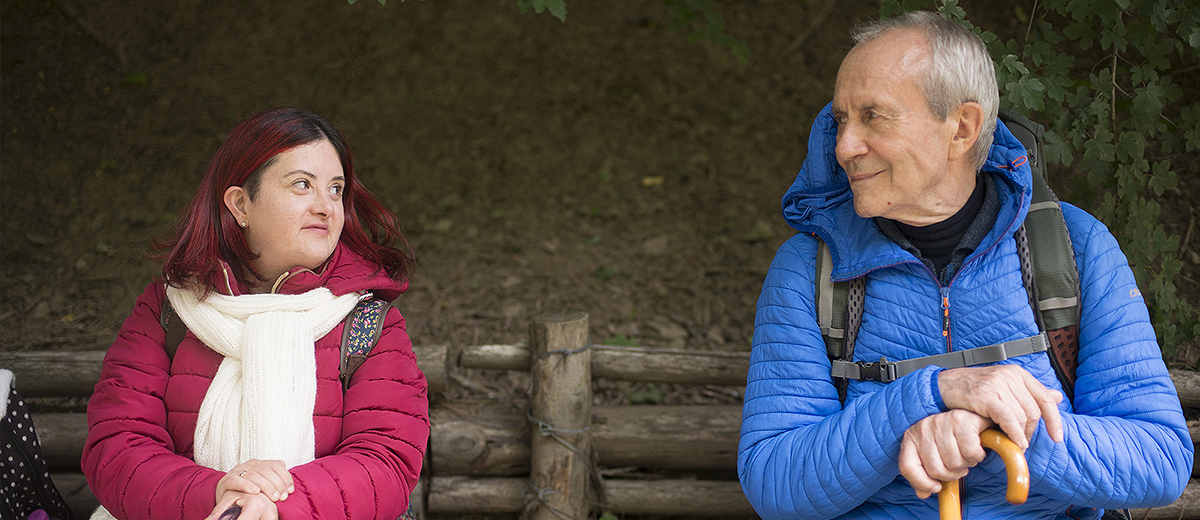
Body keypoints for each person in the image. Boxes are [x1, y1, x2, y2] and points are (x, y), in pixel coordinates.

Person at [738, 11, 1193, 519]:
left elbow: (1159, 459)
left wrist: (993, 429)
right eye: (841, 119)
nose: (844, 147)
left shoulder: (1072, 247)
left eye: (874, 116)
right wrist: (929, 396)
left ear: (962, 128)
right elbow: (773, 479)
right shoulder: (809, 269)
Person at [82, 107, 428, 520]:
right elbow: (117, 446)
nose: (326, 207)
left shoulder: (368, 322)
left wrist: (276, 507)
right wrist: (217, 494)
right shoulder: (168, 311)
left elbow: (385, 461)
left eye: (336, 190)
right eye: (302, 184)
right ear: (240, 205)